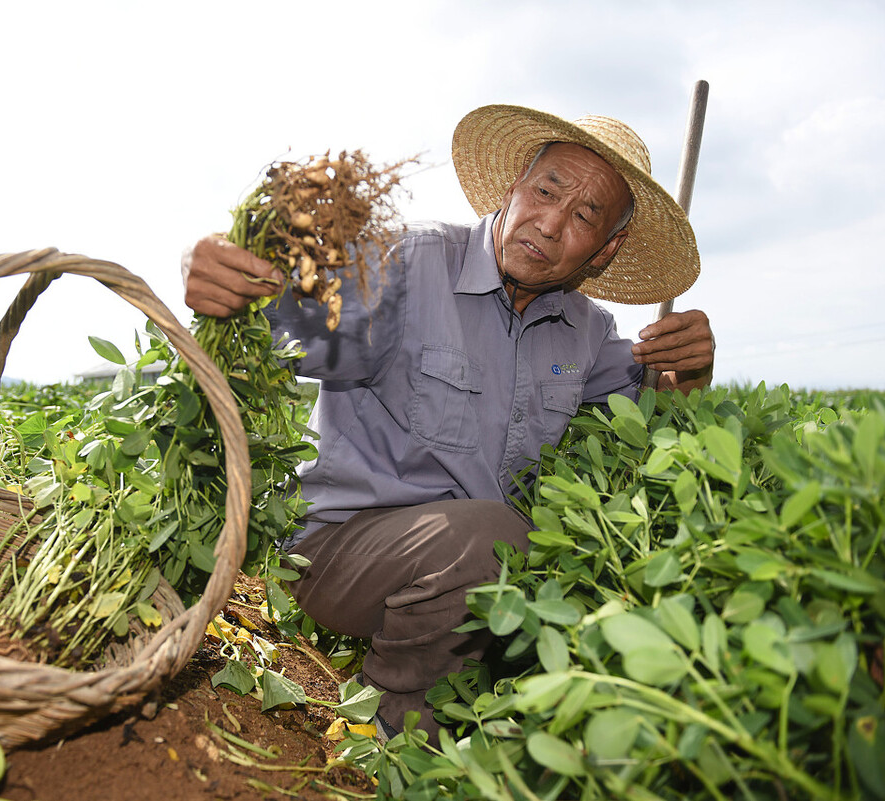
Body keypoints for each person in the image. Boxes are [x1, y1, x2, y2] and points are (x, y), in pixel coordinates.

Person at [181, 105, 715, 736]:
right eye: (546, 192)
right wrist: (230, 281)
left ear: (607, 249)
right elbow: (295, 329)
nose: (550, 224)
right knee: (496, 538)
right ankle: (391, 733)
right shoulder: (410, 262)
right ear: (514, 186)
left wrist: (690, 372)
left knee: (547, 562)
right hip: (336, 551)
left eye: (584, 216)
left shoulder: (590, 332)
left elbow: (652, 408)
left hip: (462, 577)